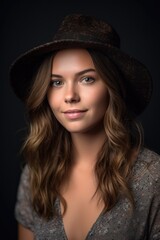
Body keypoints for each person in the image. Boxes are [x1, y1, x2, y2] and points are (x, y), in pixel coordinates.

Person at [10, 13, 160, 240]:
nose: (70, 96)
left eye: (87, 79)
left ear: (112, 88)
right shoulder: (36, 173)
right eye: (57, 82)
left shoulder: (153, 176)